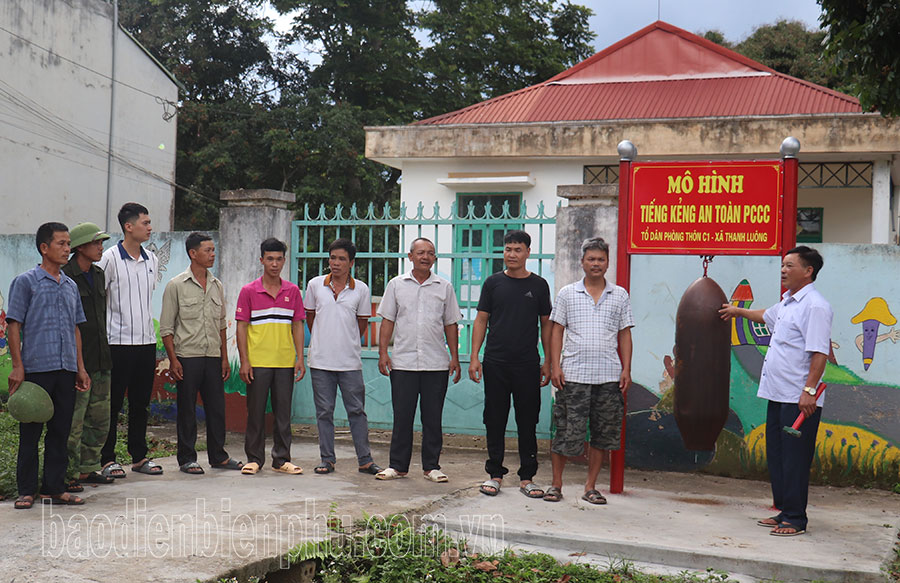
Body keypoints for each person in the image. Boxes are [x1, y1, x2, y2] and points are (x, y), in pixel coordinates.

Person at [720, 246, 832, 536]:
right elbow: (766, 315)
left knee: (795, 459)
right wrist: (737, 311)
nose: (783, 270)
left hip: (799, 399)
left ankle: (796, 519)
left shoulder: (814, 306)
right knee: (780, 456)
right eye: (782, 265)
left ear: (808, 271)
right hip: (778, 393)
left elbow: (819, 352)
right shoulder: (788, 303)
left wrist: (809, 391)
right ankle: (784, 509)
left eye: (790, 265)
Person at [8, 222, 91, 508]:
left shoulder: (70, 286)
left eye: (69, 244)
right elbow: (14, 325)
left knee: (60, 431)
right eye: (62, 244)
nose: (68, 249)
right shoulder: (26, 282)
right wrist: (18, 366)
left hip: (65, 369)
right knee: (30, 432)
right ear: (44, 248)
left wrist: (80, 367)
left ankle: (54, 489)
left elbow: (75, 329)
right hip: (35, 369)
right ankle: (26, 490)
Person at [546, 237, 634, 504]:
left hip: (608, 377)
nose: (596, 264)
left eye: (601, 259)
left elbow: (625, 334)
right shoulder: (567, 293)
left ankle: (590, 487)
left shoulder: (619, 295)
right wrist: (555, 366)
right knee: (564, 431)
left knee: (602, 435)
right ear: (582, 262)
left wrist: (626, 369)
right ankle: (556, 485)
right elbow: (556, 331)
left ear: (608, 263)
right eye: (591, 259)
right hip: (572, 376)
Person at [468, 230, 552, 498]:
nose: (512, 254)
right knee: (495, 419)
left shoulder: (539, 286)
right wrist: (474, 357)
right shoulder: (493, 283)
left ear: (528, 252)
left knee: (528, 420)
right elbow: (481, 320)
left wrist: (549, 360)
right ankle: (494, 474)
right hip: (495, 363)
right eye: (507, 249)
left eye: (517, 250)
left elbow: (546, 325)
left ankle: (527, 477)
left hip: (527, 364)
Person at [375, 238, 462, 482]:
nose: (425, 257)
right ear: (410, 256)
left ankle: (431, 466)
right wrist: (383, 352)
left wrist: (454, 357)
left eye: (430, 253)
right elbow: (388, 320)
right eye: (421, 252)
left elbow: (450, 324)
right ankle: (398, 466)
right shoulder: (396, 285)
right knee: (402, 416)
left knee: (433, 417)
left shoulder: (444, 287)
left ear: (435, 258)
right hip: (403, 362)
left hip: (436, 363)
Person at [161, 232, 243, 475]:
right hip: (187, 356)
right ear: (193, 253)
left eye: (213, 250)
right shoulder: (176, 285)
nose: (212, 255)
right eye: (207, 250)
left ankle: (218, 456)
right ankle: (187, 458)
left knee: (217, 408)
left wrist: (225, 357)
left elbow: (220, 325)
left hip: (213, 357)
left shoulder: (217, 285)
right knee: (186, 409)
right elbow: (166, 328)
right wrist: (173, 360)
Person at [305, 238, 381, 476]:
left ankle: (365, 460)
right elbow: (310, 318)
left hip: (349, 362)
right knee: (324, 412)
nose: (335, 263)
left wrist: (344, 342)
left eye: (341, 259)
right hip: (320, 361)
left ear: (351, 263)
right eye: (332, 258)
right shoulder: (315, 285)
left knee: (357, 411)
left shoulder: (361, 289)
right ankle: (327, 459)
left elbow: (361, 324)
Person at [98, 203, 163, 477]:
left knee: (140, 403)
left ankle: (139, 457)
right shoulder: (109, 259)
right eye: (145, 223)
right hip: (117, 342)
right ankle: (106, 458)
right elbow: (99, 301)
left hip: (146, 343)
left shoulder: (152, 260)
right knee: (112, 404)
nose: (149, 227)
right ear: (129, 226)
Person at [235, 238, 306, 475]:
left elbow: (297, 325)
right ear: (262, 260)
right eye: (269, 259)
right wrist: (244, 360)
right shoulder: (248, 291)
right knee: (255, 413)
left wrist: (300, 358)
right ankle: (254, 459)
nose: (274, 264)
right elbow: (241, 327)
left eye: (278, 259)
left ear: (284, 261)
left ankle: (281, 459)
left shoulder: (293, 291)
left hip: (285, 362)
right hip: (257, 362)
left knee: (283, 415)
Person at [62, 222, 116, 493]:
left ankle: (87, 468)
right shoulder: (65, 275)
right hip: (76, 361)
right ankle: (69, 472)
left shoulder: (99, 274)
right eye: (96, 243)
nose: (100, 248)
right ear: (81, 246)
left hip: (101, 357)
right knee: (75, 420)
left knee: (100, 418)